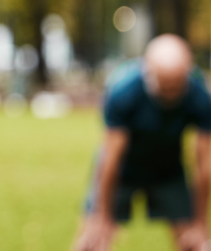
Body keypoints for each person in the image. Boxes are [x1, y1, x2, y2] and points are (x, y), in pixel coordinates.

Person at [74, 34, 211, 251]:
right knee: (92, 241)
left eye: (177, 85)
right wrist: (102, 216)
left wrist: (200, 222)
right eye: (165, 86)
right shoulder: (124, 91)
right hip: (123, 170)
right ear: (148, 72)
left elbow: (204, 164)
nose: (171, 94)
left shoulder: (199, 95)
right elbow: (110, 158)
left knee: (195, 243)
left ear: (187, 73)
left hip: (168, 170)